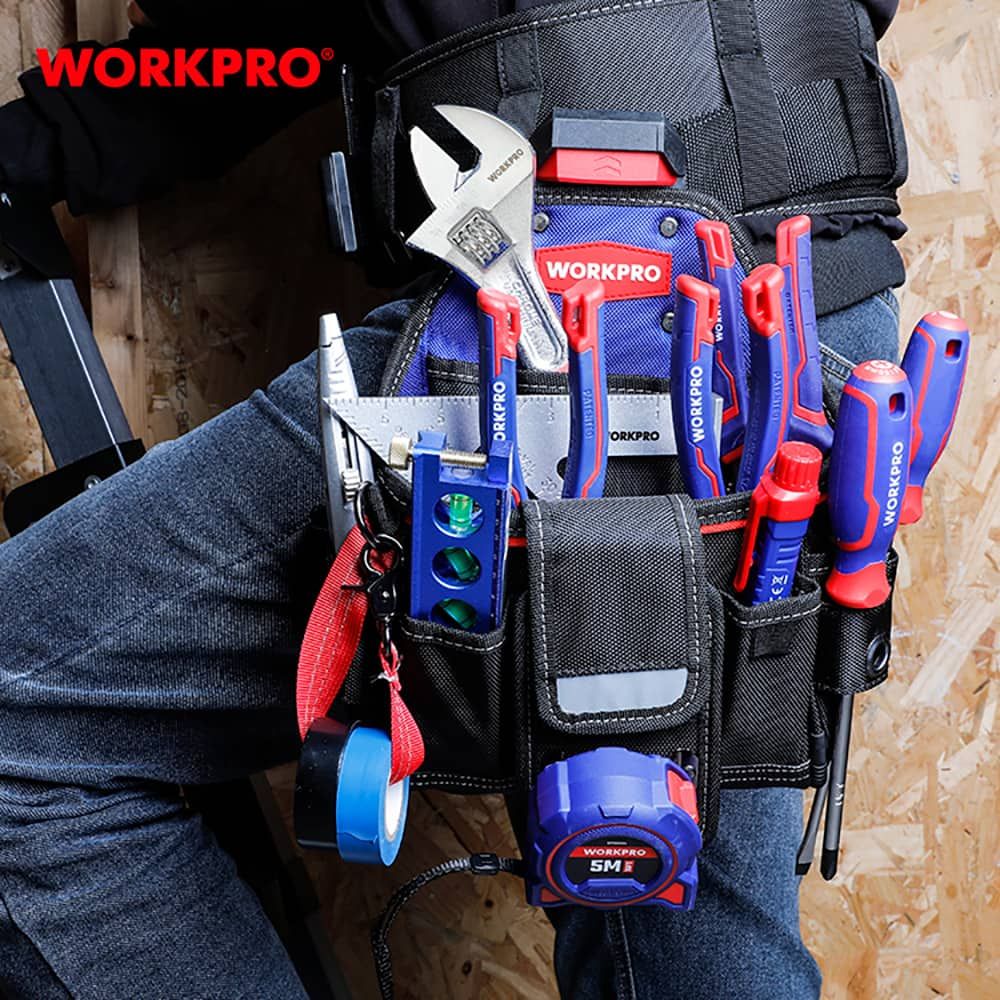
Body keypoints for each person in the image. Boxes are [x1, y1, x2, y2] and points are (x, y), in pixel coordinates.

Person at [0, 2, 903, 997]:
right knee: (662, 875)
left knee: (18, 722)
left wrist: (51, 137)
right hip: (801, 318)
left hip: (597, 309)